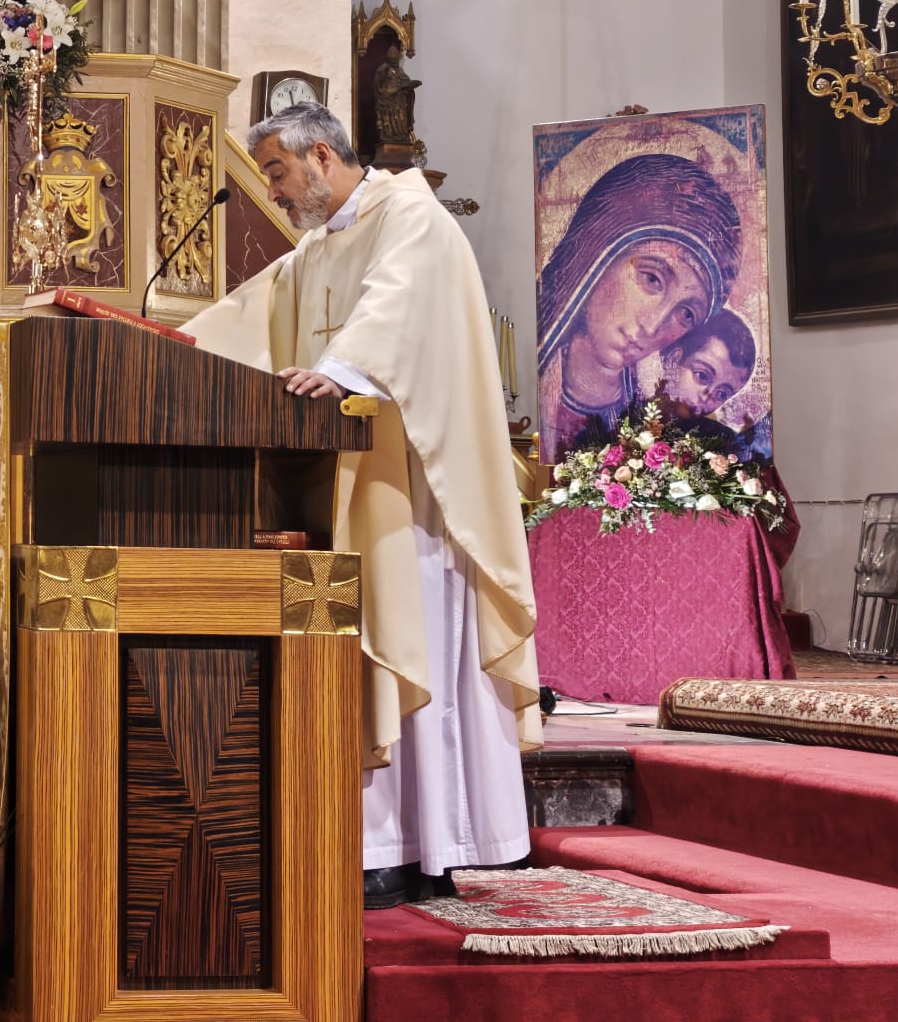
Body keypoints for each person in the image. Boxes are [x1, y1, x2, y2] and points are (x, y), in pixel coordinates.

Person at [183, 103, 540, 910]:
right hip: (350, 480)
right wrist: (158, 343)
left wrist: (345, 368)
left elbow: (396, 309)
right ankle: (386, 840)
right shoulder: (318, 247)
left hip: (415, 489)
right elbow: (247, 313)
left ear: (319, 156)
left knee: (416, 635)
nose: (270, 189)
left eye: (275, 171)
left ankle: (446, 839)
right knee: (368, 635)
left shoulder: (410, 216)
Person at [534, 153, 740, 454]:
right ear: (598, 255)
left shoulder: (654, 418)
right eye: (652, 279)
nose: (653, 326)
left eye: (685, 314)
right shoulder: (543, 381)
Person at [654, 309, 756, 426]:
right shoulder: (633, 409)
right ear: (673, 359)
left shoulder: (718, 439)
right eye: (702, 376)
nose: (705, 398)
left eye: (721, 394)